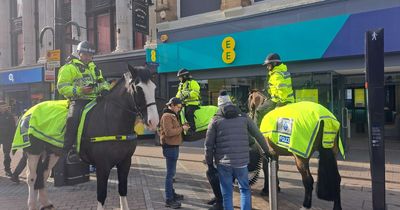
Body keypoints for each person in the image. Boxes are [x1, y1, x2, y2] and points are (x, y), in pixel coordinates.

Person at [205, 90, 270, 210]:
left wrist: (209, 163)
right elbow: (258, 135)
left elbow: (208, 145)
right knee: (245, 189)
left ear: (219, 105)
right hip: (241, 162)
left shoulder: (215, 120)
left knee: (227, 192)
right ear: (230, 103)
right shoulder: (244, 117)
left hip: (223, 163)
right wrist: (267, 151)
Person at [57, 40, 110, 162]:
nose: (88, 58)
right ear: (79, 53)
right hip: (78, 100)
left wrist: (106, 89)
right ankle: (69, 148)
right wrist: (80, 90)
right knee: (73, 119)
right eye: (85, 55)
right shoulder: (69, 68)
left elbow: (103, 82)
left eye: (90, 55)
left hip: (95, 100)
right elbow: (62, 87)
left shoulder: (94, 68)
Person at [159, 97, 189, 209]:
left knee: (172, 173)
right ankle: (169, 199)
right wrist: (182, 128)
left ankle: (172, 194)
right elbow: (169, 132)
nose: (179, 109)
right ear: (172, 105)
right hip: (170, 147)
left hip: (173, 146)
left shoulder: (171, 115)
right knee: (170, 175)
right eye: (178, 107)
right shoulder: (167, 116)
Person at [254, 53, 294, 127]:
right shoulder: (283, 72)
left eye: (268, 65)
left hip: (279, 101)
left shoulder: (276, 75)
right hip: (287, 99)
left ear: (274, 63)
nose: (267, 67)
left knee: (258, 111)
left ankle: (257, 134)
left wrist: (280, 104)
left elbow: (282, 89)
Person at [175, 68, 201, 134]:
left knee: (188, 113)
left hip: (192, 103)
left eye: (180, 77)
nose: (179, 79)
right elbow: (178, 93)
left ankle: (192, 129)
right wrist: (176, 98)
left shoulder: (193, 82)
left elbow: (196, 92)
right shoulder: (181, 84)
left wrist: (188, 95)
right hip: (183, 103)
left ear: (185, 76)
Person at [0, 101, 16, 177]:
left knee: (7, 154)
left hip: (7, 138)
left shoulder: (10, 116)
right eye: (2, 107)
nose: (4, 108)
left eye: (5, 106)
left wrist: (12, 138)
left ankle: (7, 169)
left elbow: (13, 127)